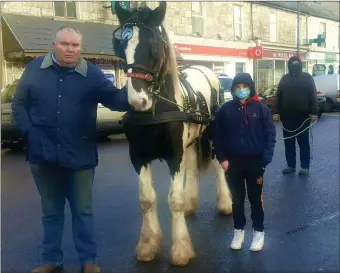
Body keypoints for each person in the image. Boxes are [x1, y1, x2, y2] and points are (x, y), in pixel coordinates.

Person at [11, 26, 130, 273]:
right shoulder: (35, 69)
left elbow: (116, 101)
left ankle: (89, 261)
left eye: (75, 45)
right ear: (53, 45)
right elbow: (19, 104)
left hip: (80, 155)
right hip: (42, 155)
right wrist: (29, 134)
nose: (70, 49)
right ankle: (51, 260)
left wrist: (134, 85)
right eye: (65, 44)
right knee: (51, 212)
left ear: (80, 48)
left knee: (83, 212)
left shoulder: (93, 75)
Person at [213, 73, 276, 251]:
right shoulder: (225, 110)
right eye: (237, 87)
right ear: (233, 90)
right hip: (233, 164)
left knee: (255, 199)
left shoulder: (261, 109)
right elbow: (218, 137)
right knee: (237, 200)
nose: (241, 90)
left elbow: (270, 136)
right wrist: (223, 159)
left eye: (244, 87)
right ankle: (239, 231)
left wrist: (264, 161)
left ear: (250, 88)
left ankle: (258, 232)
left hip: (256, 163)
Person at [273, 56, 318, 175]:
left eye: (297, 63)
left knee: (303, 143)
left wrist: (314, 113)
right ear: (289, 65)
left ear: (300, 64)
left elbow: (313, 95)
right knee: (289, 143)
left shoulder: (307, 78)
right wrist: (276, 112)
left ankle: (304, 167)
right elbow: (279, 96)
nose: (294, 65)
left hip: (302, 117)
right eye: (292, 63)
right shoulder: (284, 79)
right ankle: (291, 165)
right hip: (287, 117)